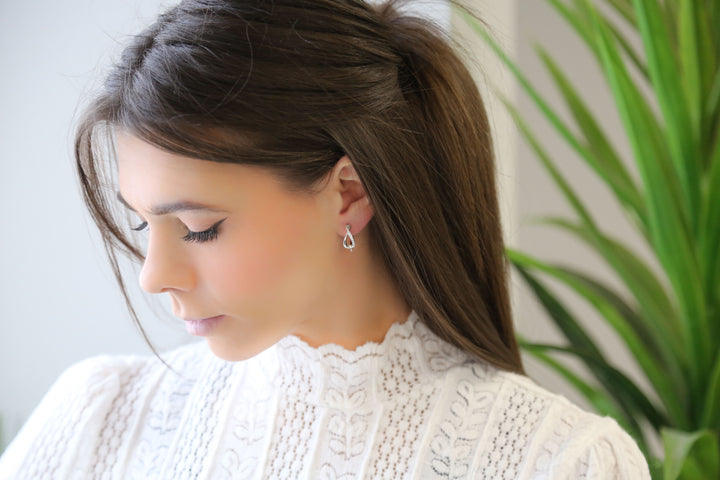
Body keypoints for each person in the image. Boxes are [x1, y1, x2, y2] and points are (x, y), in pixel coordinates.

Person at [0, 0, 651, 478]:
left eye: (200, 228)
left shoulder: (560, 461)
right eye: (144, 223)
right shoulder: (100, 418)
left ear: (348, 194)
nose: (153, 274)